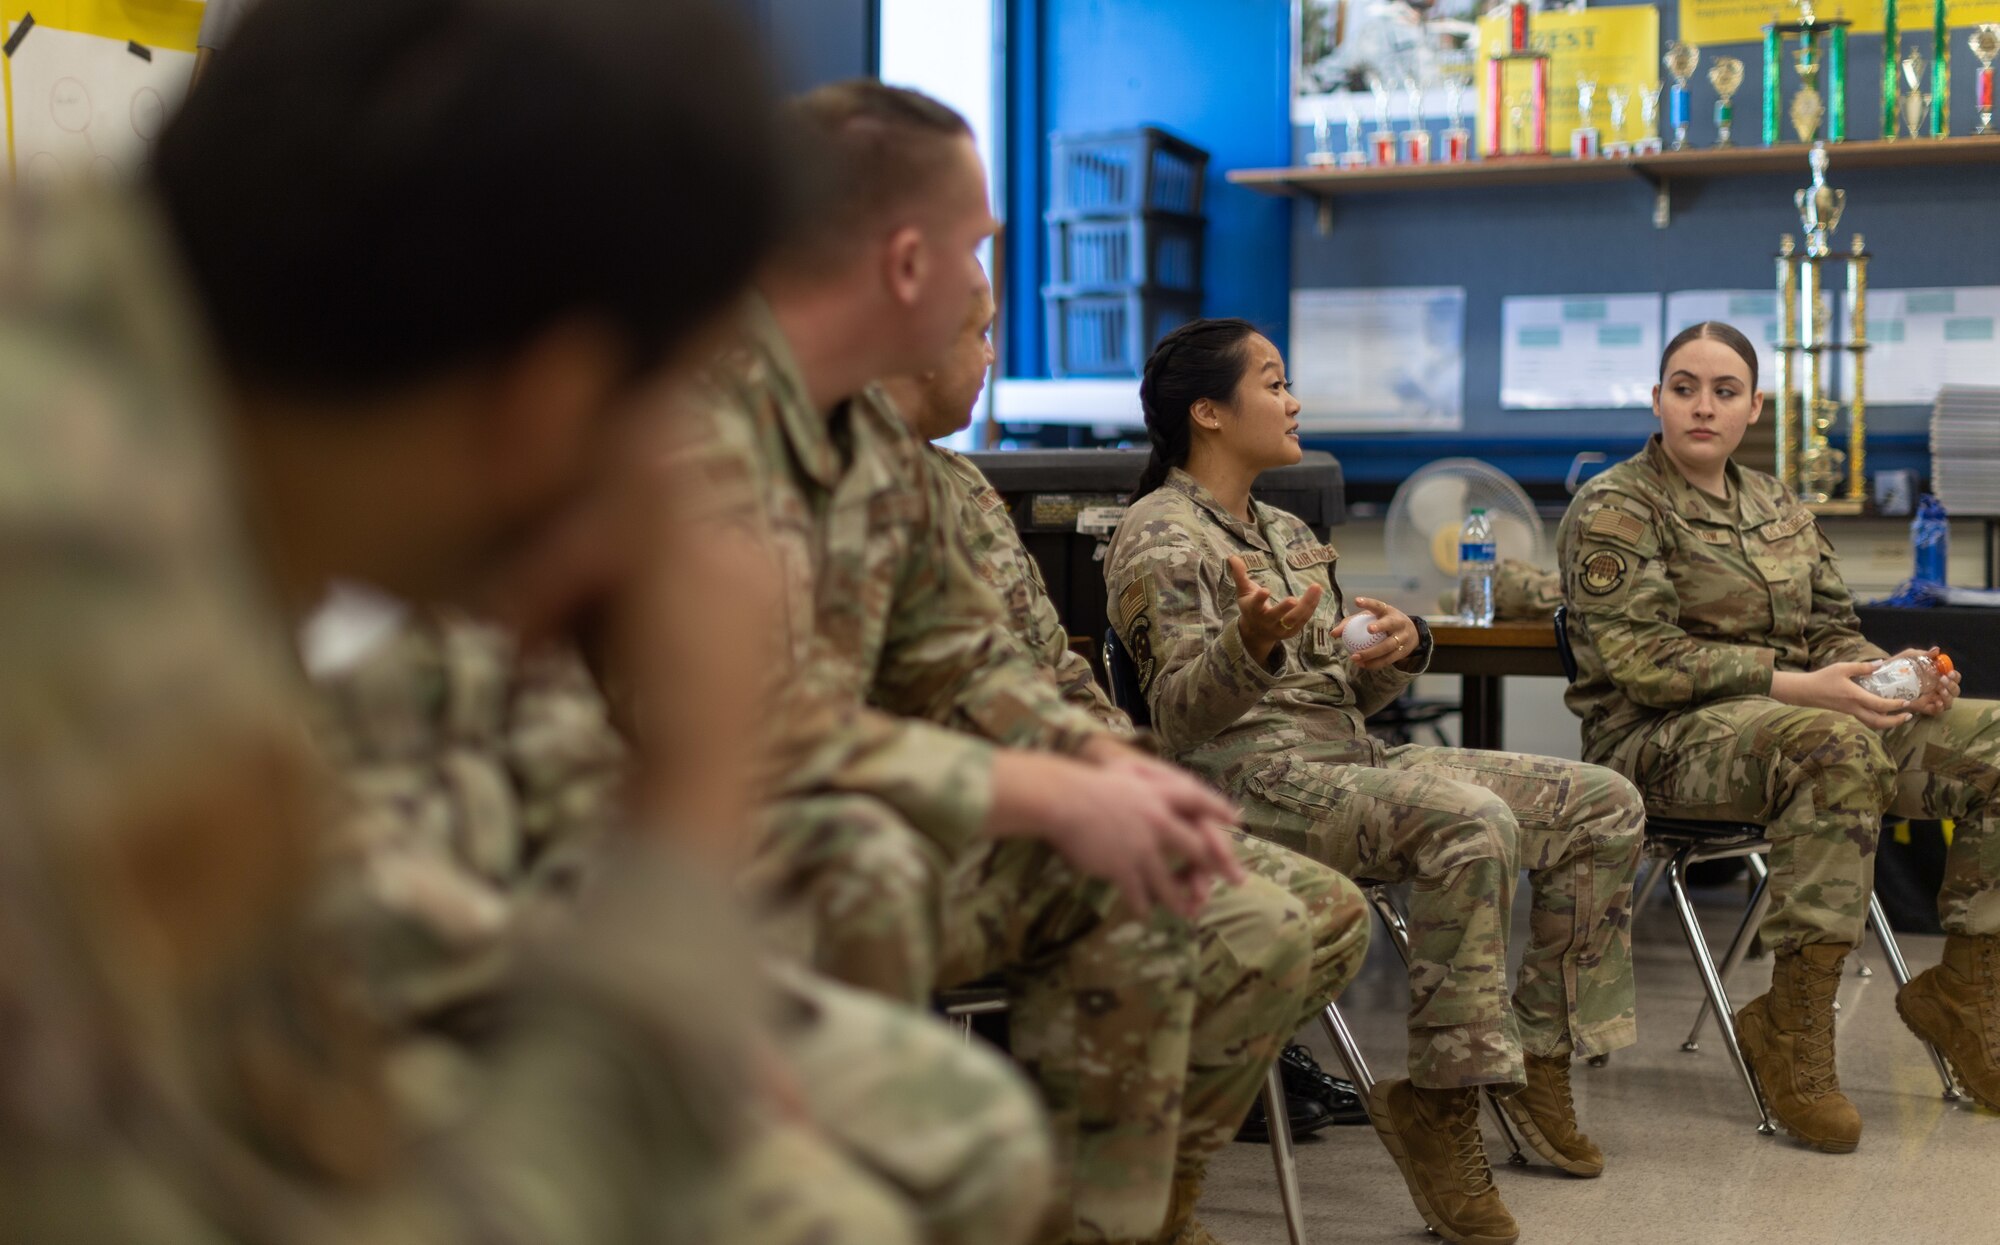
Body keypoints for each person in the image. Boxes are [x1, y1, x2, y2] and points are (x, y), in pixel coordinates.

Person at [0, 0, 927, 1239]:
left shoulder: (79, 308)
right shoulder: (107, 661)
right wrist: (688, 823)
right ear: (548, 407)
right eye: (664, 408)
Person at [685, 81, 1328, 1245]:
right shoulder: (700, 435)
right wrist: (1026, 788)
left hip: (851, 835)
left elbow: (963, 654)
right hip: (682, 864)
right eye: (974, 245)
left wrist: (1108, 765)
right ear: (901, 260)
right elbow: (737, 729)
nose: (987, 285)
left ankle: (1105, 1220)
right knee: (895, 866)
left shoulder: (868, 448)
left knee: (1150, 874)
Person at [1104, 318, 1646, 1245]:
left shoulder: (1282, 528)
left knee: (1604, 802)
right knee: (1466, 821)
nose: (1294, 399)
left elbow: (1346, 684)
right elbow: (1179, 717)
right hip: (1247, 780)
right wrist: (1250, 642)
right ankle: (1444, 1102)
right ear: (1208, 412)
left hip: (1347, 760)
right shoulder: (1158, 535)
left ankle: (1537, 1066)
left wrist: (1400, 651)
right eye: (1272, 382)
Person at [309, 597, 1055, 1245]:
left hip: (567, 963)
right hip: (366, 1022)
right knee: (833, 1219)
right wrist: (655, 1005)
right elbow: (336, 892)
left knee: (983, 1136)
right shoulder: (238, 569)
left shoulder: (456, 563)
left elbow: (576, 791)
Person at [879, 275, 1374, 1144]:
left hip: (1081, 792)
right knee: (1445, 838)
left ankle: (1155, 1177)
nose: (993, 357)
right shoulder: (802, 491)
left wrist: (1124, 762)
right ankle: (1119, 1168)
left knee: (1326, 913)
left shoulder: (961, 486)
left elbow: (1052, 669)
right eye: (981, 332)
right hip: (937, 826)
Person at [1559, 319, 2000, 1150]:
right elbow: (1643, 662)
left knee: (1994, 743)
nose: (1702, 406)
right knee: (1829, 748)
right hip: (1657, 744)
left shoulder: (1776, 503)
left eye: (1724, 392)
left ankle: (1968, 993)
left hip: (1792, 723)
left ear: (1752, 407)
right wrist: (1804, 686)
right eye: (1683, 387)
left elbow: (1833, 628)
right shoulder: (1617, 503)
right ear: (1656, 399)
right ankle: (1793, 1030)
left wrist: (1890, 674)